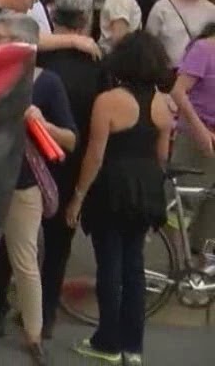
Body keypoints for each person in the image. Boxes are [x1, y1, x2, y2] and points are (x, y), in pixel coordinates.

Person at [0, 14, 77, 364]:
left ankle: (34, 334)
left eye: (1, 38)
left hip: (22, 183)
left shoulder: (47, 83)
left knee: (24, 260)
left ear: (24, 45)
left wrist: (41, 122)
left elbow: (70, 139)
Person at [67, 32, 174, 365]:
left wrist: (78, 196)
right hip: (146, 188)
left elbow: (95, 156)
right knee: (134, 267)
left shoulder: (109, 101)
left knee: (109, 267)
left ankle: (107, 341)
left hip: (111, 188)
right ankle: (133, 346)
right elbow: (161, 155)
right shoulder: (163, 103)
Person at [31, 0, 106, 339]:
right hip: (72, 162)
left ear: (53, 15)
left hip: (27, 160)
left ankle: (3, 308)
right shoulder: (97, 65)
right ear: (87, 20)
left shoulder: (38, 58)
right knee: (59, 243)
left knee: (17, 241)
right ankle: (45, 316)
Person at [170, 23, 215, 261]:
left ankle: (202, 262)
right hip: (196, 137)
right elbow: (178, 91)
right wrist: (199, 129)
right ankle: (179, 261)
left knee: (210, 208)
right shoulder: (203, 50)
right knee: (184, 204)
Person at [146, 0, 214, 68]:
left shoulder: (211, 10)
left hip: (200, 74)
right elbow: (149, 46)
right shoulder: (162, 8)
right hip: (168, 73)